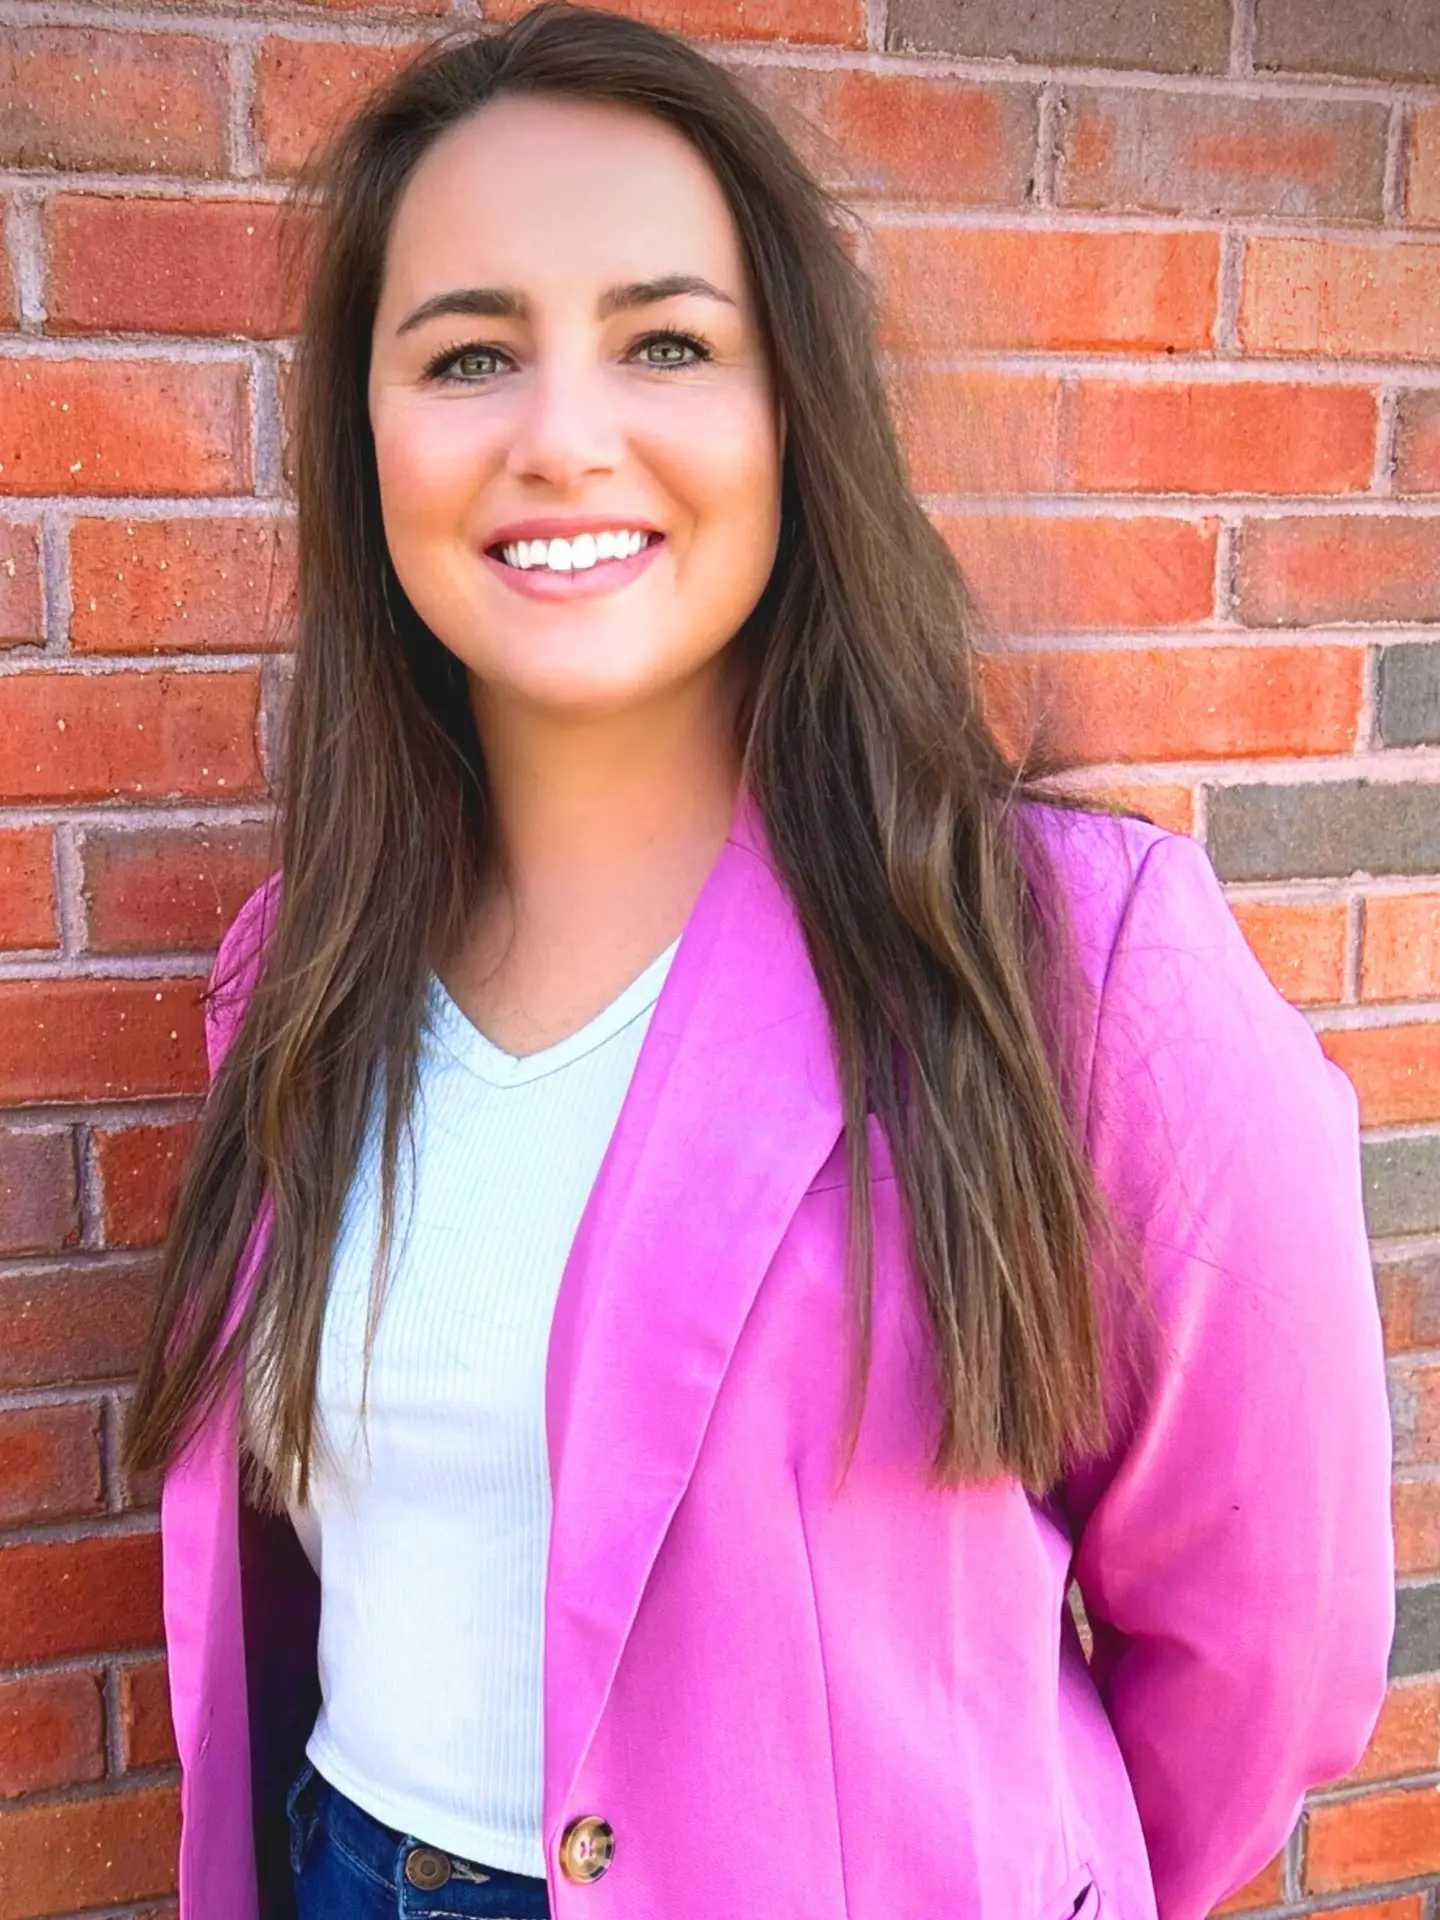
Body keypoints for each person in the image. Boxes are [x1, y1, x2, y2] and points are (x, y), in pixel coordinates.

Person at [124, 7, 1396, 1919]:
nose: (563, 435)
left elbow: (1267, 1648)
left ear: (789, 407)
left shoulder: (1071, 966)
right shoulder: (303, 971)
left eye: (665, 342)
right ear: (364, 434)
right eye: (469, 352)